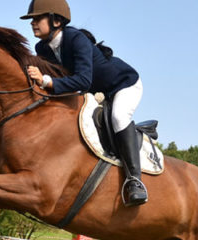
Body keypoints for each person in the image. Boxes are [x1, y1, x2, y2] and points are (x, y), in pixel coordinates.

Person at [21, 0, 147, 206]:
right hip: (92, 91)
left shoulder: (75, 38)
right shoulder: (42, 47)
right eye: (32, 19)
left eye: (37, 18)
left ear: (56, 21)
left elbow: (82, 80)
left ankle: (135, 180)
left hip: (123, 84)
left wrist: (45, 80)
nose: (32, 23)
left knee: (118, 117)